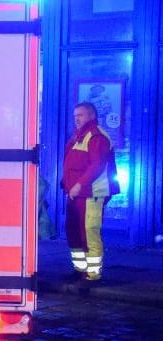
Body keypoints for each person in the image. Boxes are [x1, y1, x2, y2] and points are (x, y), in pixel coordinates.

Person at [61, 101, 114, 281]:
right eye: (75, 116)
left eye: (80, 115)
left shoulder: (96, 136)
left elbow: (97, 166)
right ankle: (79, 270)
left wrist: (78, 185)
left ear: (92, 115)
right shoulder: (79, 136)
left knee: (89, 232)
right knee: (73, 231)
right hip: (76, 194)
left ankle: (92, 274)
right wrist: (66, 183)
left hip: (91, 194)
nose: (76, 119)